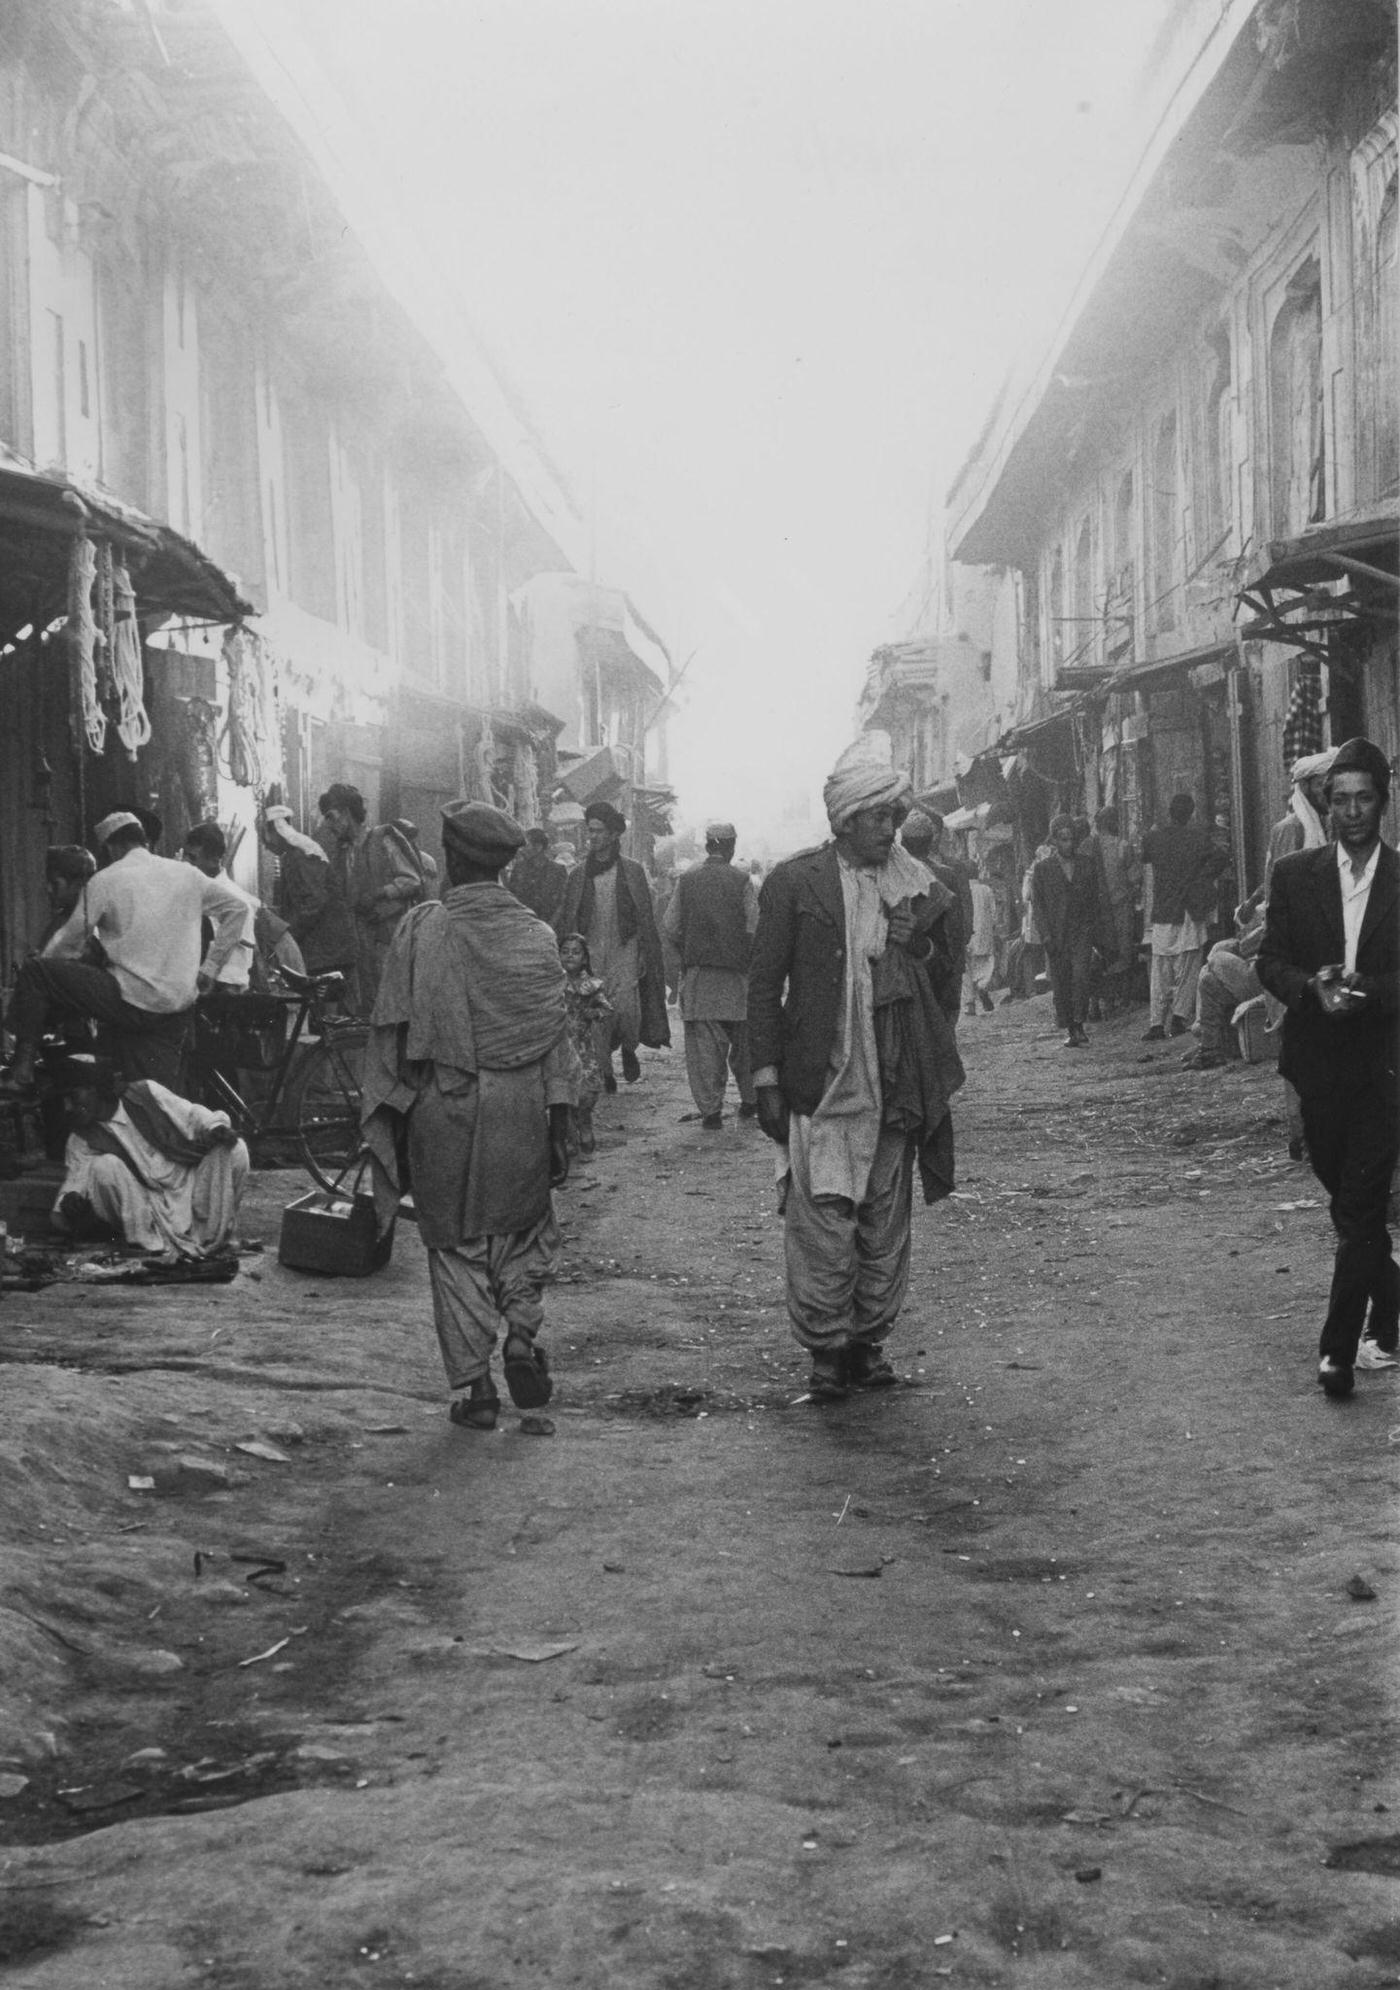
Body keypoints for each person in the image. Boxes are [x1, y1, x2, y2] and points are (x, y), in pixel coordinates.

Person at [748, 732, 965, 1401]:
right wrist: (764, 1078)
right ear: (845, 819)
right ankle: (825, 1349)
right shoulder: (794, 882)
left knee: (883, 1219)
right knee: (819, 1222)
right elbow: (764, 986)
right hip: (822, 1079)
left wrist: (919, 947)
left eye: (896, 817)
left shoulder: (919, 887)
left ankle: (868, 1344)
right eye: (879, 817)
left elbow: (947, 980)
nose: (891, 828)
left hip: (894, 1079)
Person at [361, 801, 581, 1432]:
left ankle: (477, 1390)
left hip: (444, 1108)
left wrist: (392, 1120)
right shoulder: (538, 938)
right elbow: (555, 1042)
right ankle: (519, 1335)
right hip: (521, 1108)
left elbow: (393, 1035)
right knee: (523, 1230)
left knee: (454, 1243)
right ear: (508, 865)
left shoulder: (421, 928)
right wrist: (560, 1126)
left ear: (451, 861)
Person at [1257, 738, 1399, 1398]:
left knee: (1363, 1206)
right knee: (1349, 1206)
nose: (1351, 812)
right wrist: (1309, 989)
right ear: (1327, 806)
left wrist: (1366, 990)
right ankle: (1393, 1303)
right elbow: (1270, 961)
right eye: (1339, 801)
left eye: (1363, 799)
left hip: (1381, 1069)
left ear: (1383, 804)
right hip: (1317, 1067)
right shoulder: (1295, 875)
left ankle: (1337, 1353)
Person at [1, 812, 246, 1095]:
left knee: (37, 972)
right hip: (176, 1005)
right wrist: (210, 968)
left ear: (112, 847)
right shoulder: (187, 874)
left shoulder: (106, 879)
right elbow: (239, 909)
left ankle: (21, 1072)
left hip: (131, 1000)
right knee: (159, 1101)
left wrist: (45, 974)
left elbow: (67, 943)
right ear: (144, 842)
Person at [51, 1054, 248, 1257]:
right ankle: (150, 1244)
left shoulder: (146, 1093)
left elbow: (191, 1114)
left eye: (73, 1097)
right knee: (103, 1167)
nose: (68, 1107)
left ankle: (209, 1239)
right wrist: (70, 1200)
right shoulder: (80, 1138)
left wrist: (214, 1126)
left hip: (191, 1187)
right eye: (63, 1100)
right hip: (145, 1206)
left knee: (235, 1149)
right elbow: (75, 1180)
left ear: (96, 1089)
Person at [554, 801, 670, 1089]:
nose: (592, 836)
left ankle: (629, 1048)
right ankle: (605, 1070)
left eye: (598, 831)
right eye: (589, 830)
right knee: (596, 1012)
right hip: (590, 951)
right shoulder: (578, 874)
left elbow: (645, 916)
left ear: (614, 834)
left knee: (627, 1009)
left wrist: (643, 952)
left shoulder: (632, 871)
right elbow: (569, 916)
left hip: (625, 949)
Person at [662, 820, 760, 1129]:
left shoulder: (687, 880)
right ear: (731, 847)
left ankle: (711, 1111)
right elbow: (755, 927)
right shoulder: (743, 880)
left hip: (700, 977)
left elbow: (671, 925)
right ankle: (750, 1100)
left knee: (705, 1050)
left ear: (707, 846)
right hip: (738, 977)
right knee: (745, 1045)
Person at [317, 784, 423, 1017]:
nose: (329, 825)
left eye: (331, 817)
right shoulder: (343, 854)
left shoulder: (382, 840)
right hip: (362, 942)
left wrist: (378, 894)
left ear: (346, 813)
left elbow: (412, 880)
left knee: (395, 1003)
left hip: (391, 938)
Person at [1140, 793, 1227, 1042]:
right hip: (1189, 908)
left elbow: (1144, 856)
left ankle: (1157, 1022)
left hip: (1164, 909)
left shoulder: (1154, 838)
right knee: (1189, 966)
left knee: (1160, 968)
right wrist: (1203, 877)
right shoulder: (1198, 838)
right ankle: (1179, 1018)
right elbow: (1220, 857)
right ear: (1190, 814)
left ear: (1169, 812)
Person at [260, 805, 356, 984]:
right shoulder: (296, 853)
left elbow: (315, 901)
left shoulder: (301, 855)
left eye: (265, 837)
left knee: (323, 1003)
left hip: (326, 947)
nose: (265, 845)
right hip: (325, 945)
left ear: (275, 831)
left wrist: (287, 934)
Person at [1030, 815, 1102, 1048]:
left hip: (1081, 930)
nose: (1068, 844)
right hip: (1056, 933)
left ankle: (1079, 1024)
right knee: (1062, 981)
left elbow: (1095, 898)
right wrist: (1046, 935)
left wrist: (1094, 929)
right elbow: (1038, 906)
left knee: (1081, 976)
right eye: (1063, 839)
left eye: (1071, 839)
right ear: (1054, 841)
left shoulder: (1087, 864)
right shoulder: (1043, 869)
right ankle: (1070, 1026)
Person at [1179, 888, 1265, 1071]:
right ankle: (1209, 1049)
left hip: (1268, 975)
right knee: (1209, 981)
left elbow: (1249, 944)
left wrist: (1248, 938)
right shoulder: (1273, 893)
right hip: (1256, 965)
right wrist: (1256, 898)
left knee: (1216, 956)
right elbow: (1242, 918)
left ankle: (1202, 1034)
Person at [901, 810, 971, 1017]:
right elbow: (956, 928)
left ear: (903, 843)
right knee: (943, 1023)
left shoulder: (894, 875)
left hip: (907, 964)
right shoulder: (946, 875)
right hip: (941, 962)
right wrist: (955, 963)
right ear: (931, 841)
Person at [560, 934, 611, 1156]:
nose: (570, 955)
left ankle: (585, 1123)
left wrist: (594, 1013)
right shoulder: (552, 982)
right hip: (558, 1045)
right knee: (562, 1092)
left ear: (584, 958)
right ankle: (569, 1137)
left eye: (576, 952)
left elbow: (607, 1009)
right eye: (565, 951)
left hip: (582, 1045)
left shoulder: (591, 984)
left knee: (587, 1091)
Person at [1085, 806, 1140, 1012]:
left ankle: (1099, 1001)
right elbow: (1135, 878)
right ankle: (1123, 998)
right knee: (1124, 952)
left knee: (1099, 954)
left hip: (1096, 912)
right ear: (1113, 822)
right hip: (1120, 908)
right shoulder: (1122, 846)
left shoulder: (1088, 846)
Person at [507, 827, 568, 925]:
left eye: (526, 845)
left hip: (551, 926)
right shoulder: (519, 870)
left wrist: (550, 926)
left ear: (538, 847)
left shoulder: (557, 870)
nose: (522, 850)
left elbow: (563, 903)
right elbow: (512, 899)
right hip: (524, 926)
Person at [962, 871, 998, 1016]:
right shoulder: (986, 890)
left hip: (966, 934)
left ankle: (970, 1004)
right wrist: (992, 927)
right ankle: (982, 986)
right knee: (986, 964)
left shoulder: (962, 891)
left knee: (966, 969)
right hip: (984, 934)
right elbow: (993, 913)